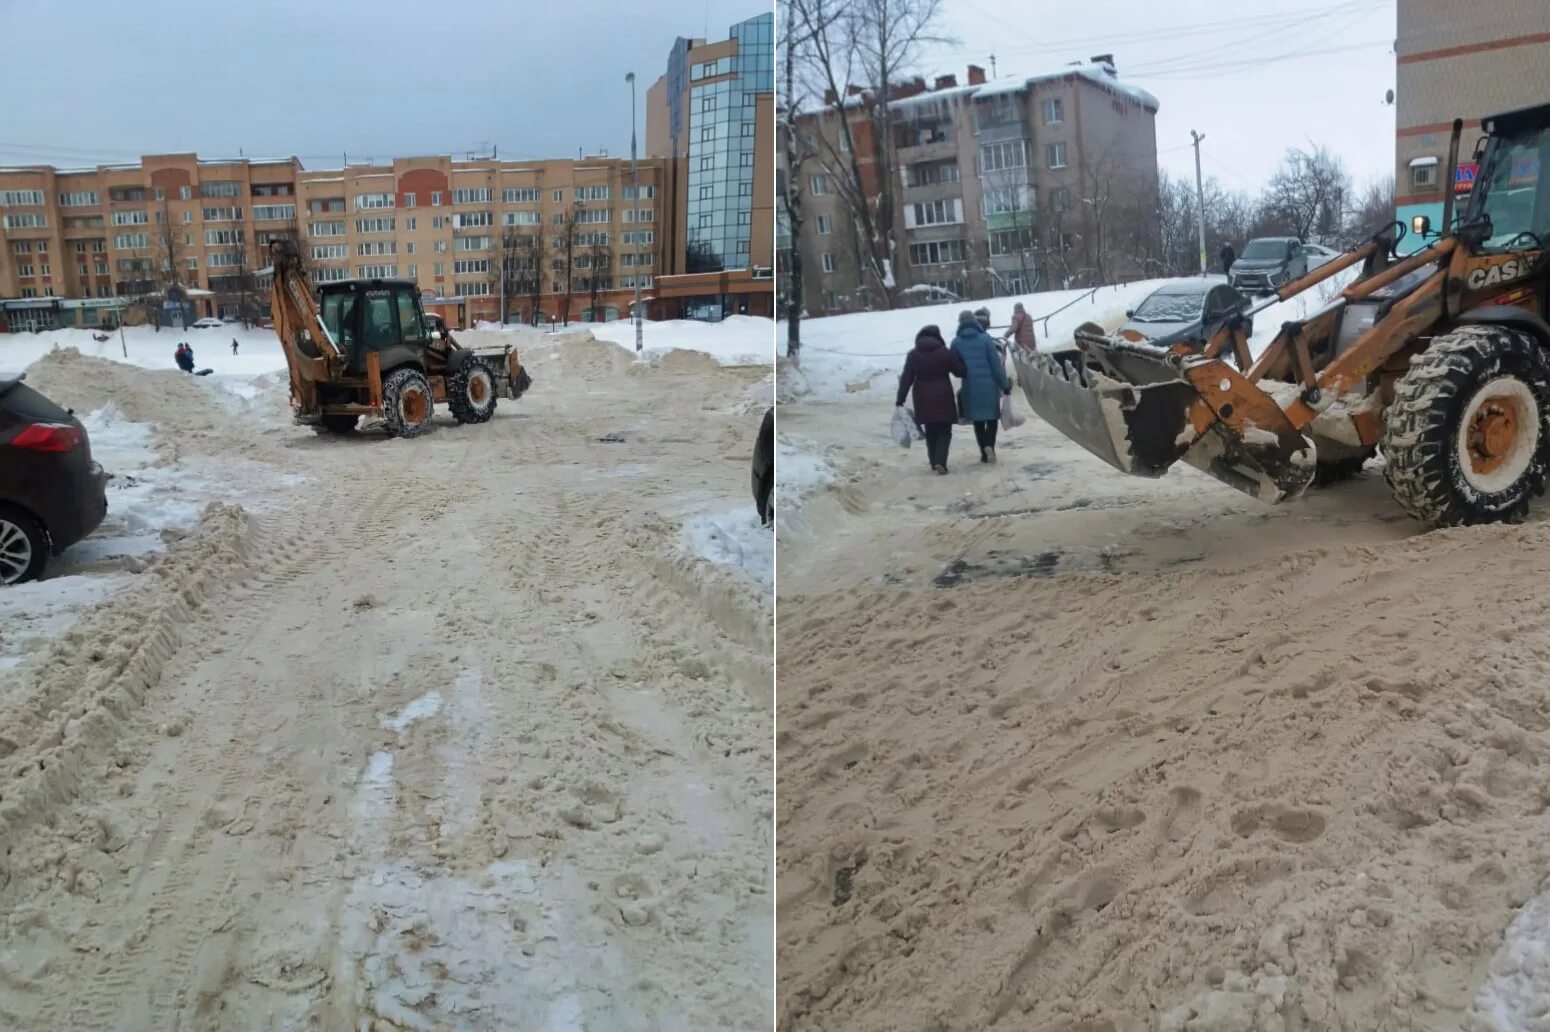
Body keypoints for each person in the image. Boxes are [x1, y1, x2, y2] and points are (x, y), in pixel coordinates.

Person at [896, 324, 965, 474]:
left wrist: (900, 399)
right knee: (944, 430)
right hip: (943, 395)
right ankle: (940, 461)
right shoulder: (944, 353)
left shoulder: (913, 355)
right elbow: (960, 372)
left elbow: (906, 378)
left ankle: (934, 462)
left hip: (922, 397)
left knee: (931, 430)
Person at [951, 309, 1012, 464]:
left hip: (970, 387)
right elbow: (996, 366)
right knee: (992, 419)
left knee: (978, 421)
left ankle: (984, 452)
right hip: (989, 386)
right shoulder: (985, 340)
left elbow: (954, 367)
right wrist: (1004, 385)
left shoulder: (956, 342)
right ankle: (989, 446)